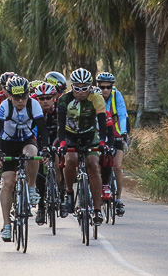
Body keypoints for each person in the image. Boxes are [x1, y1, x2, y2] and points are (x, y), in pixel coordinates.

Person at [0, 76, 48, 241]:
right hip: (8, 143)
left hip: (26, 140)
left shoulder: (34, 104)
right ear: (9, 95)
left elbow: (42, 129)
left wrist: (45, 149)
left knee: (32, 152)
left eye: (24, 96)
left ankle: (31, 187)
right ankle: (7, 225)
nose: (21, 100)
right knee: (8, 183)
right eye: (17, 97)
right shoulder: (4, 107)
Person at [57, 68, 107, 225]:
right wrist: (63, 143)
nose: (80, 92)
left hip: (89, 134)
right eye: (76, 88)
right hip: (70, 134)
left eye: (84, 88)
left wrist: (103, 142)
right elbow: (60, 124)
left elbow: (102, 121)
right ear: (72, 87)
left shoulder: (97, 98)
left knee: (93, 164)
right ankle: (70, 193)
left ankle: (97, 210)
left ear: (90, 87)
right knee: (70, 159)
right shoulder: (64, 99)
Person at [96, 71, 128, 217]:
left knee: (117, 166)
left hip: (115, 134)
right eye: (102, 87)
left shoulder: (117, 95)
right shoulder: (94, 96)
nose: (105, 90)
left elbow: (122, 114)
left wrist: (123, 132)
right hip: (98, 135)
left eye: (108, 87)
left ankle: (119, 199)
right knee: (98, 164)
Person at [32, 81, 60, 225]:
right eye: (41, 99)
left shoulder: (60, 110)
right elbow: (33, 133)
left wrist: (55, 146)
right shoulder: (35, 111)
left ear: (54, 97)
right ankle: (41, 207)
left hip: (57, 139)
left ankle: (61, 194)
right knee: (39, 170)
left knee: (59, 164)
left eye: (48, 98)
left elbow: (63, 131)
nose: (45, 101)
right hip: (40, 142)